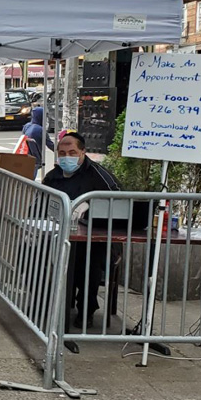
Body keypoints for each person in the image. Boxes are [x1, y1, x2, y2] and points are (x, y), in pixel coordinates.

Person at [42, 132, 121, 329]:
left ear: (83, 152)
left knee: (88, 261)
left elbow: (120, 203)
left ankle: (86, 310)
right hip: (58, 234)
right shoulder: (53, 177)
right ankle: (43, 303)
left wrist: (91, 210)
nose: (66, 157)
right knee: (32, 250)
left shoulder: (99, 176)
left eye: (72, 152)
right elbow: (40, 204)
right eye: (62, 153)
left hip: (96, 240)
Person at [21, 106, 55, 178]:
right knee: (31, 178)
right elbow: (50, 144)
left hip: (25, 156)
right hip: (34, 158)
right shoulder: (40, 130)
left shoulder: (27, 126)